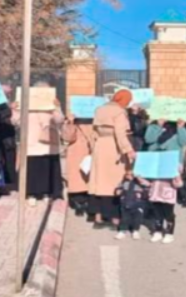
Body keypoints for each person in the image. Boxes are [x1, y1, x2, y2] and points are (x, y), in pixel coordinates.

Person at [89, 90, 136, 229]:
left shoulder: (99, 110)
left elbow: (93, 132)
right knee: (113, 183)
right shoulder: (119, 113)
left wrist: (93, 148)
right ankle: (114, 217)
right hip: (113, 148)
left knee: (99, 181)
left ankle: (98, 216)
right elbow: (120, 134)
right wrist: (128, 150)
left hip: (100, 146)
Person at [19, 86, 64, 207]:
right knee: (33, 169)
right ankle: (31, 194)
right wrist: (15, 109)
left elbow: (60, 120)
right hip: (32, 143)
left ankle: (46, 193)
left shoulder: (50, 108)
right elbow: (15, 121)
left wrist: (57, 107)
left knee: (47, 169)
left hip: (48, 144)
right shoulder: (27, 107)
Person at [62, 113, 94, 218]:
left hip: (86, 152)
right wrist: (70, 123)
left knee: (87, 180)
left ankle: (84, 203)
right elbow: (67, 138)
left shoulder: (95, 122)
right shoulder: (74, 123)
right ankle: (79, 203)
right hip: (79, 153)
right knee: (79, 180)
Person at [147, 172, 184, 244]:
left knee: (169, 215)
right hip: (155, 194)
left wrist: (175, 175)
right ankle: (158, 231)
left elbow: (179, 184)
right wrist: (140, 177)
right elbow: (147, 181)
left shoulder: (173, 167)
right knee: (157, 215)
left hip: (167, 196)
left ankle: (169, 234)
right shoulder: (155, 165)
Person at [114, 170, 150, 240]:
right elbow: (118, 189)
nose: (129, 176)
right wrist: (118, 191)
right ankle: (122, 230)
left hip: (138, 204)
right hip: (125, 203)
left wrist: (142, 193)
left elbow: (147, 188)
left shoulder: (140, 183)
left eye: (131, 175)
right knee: (125, 218)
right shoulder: (124, 183)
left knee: (137, 218)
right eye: (127, 175)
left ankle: (135, 230)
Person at [0, 85, 19, 191]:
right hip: (2, 135)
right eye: (7, 93)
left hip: (9, 135)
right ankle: (6, 181)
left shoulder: (7, 104)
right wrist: (10, 108)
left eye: (9, 93)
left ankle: (10, 179)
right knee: (5, 159)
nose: (9, 95)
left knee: (10, 158)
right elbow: (1, 116)